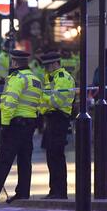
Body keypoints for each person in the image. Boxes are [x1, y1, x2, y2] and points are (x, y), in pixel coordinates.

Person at [0, 50, 42, 204]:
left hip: (15, 124)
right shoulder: (34, 79)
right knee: (25, 161)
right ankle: (23, 193)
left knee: (3, 159)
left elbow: (9, 103)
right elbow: (39, 102)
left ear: (15, 62)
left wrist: (4, 125)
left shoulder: (17, 79)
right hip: (30, 124)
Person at [39, 52, 75, 199]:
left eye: (48, 65)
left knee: (56, 156)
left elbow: (56, 101)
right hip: (52, 119)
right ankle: (54, 190)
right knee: (51, 156)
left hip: (59, 119)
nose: (46, 68)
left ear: (55, 64)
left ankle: (60, 192)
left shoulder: (63, 78)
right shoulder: (52, 78)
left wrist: (43, 99)